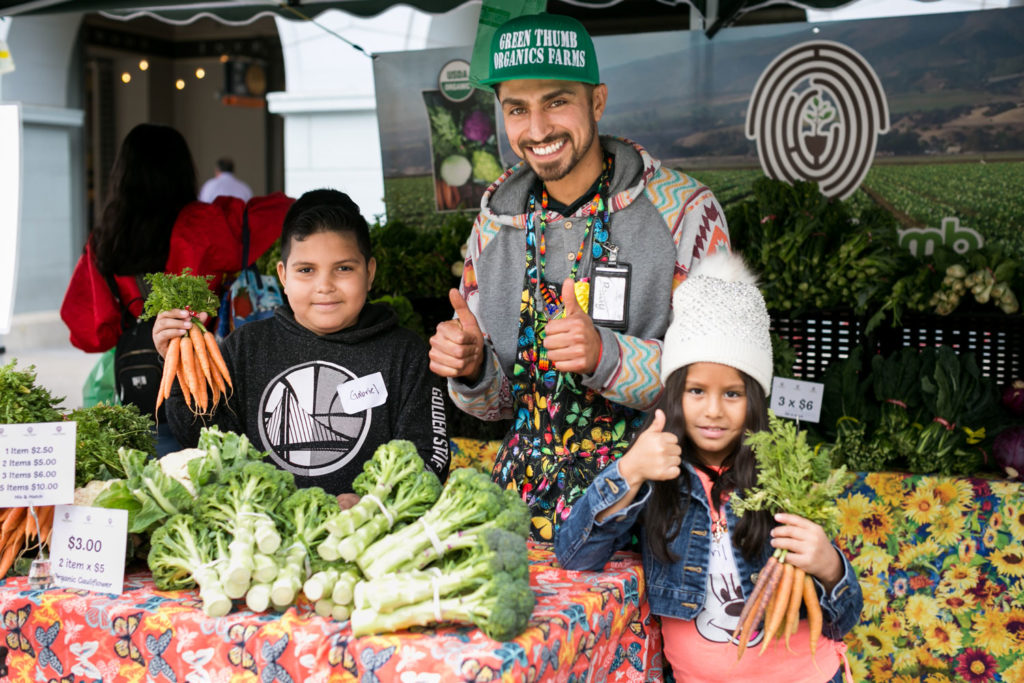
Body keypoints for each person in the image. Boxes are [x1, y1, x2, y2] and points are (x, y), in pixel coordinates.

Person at [428, 12, 731, 541]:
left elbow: (724, 381)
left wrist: (605, 356)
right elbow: (500, 406)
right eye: (517, 109)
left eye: (557, 101)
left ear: (597, 101)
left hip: (651, 515)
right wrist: (472, 371)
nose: (538, 129)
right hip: (520, 515)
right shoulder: (494, 224)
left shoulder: (685, 211)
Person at [555, 251, 862, 683]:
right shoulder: (658, 476)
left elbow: (841, 622)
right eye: (697, 390)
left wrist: (830, 565)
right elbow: (575, 557)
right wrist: (628, 471)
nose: (713, 410)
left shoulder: (783, 477)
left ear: (755, 400)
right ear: (675, 394)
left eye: (733, 394)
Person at [153, 189, 450, 502]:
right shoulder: (245, 348)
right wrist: (180, 368)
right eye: (306, 270)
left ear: (370, 272)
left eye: (344, 268)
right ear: (283, 275)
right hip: (264, 536)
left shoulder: (406, 354)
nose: (325, 286)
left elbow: (431, 454)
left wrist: (376, 505)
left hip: (369, 539)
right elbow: (203, 440)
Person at [61, 124, 290, 452]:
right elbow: (286, 209)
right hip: (206, 382)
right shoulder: (209, 223)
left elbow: (90, 333)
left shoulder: (105, 240)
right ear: (184, 170)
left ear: (122, 174)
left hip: (139, 395)